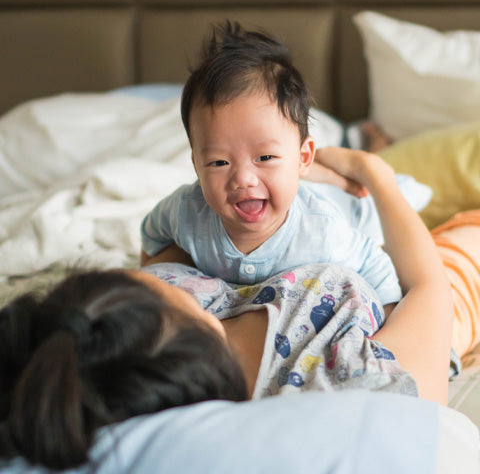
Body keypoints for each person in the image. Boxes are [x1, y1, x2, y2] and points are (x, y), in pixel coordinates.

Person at [0, 147, 456, 470]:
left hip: (324, 234)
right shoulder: (351, 381)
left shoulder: (137, 321)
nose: (144, 278)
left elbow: (174, 246)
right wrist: (375, 175)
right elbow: (428, 287)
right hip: (406, 276)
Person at [140, 21, 401, 315]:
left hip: (351, 204)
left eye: (264, 157)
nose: (243, 179)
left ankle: (372, 153)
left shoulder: (323, 231)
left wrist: (389, 319)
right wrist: (152, 268)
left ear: (304, 158)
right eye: (219, 162)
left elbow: (375, 265)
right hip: (291, 179)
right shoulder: (186, 211)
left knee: (378, 197)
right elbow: (153, 231)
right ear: (197, 166)